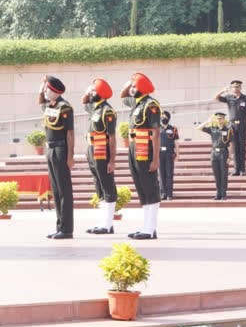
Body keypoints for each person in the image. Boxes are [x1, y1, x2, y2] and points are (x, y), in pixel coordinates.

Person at [120, 73, 161, 240]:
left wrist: (156, 158)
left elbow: (156, 133)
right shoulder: (136, 103)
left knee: (150, 188)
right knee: (141, 188)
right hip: (134, 148)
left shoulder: (151, 105)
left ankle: (150, 228)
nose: (131, 89)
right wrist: (130, 81)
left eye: (135, 86)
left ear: (142, 88)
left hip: (146, 149)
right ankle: (147, 226)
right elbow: (122, 95)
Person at [38, 75, 74, 239]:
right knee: (56, 189)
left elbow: (70, 133)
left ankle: (67, 229)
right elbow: (41, 104)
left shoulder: (64, 107)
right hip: (50, 150)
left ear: (54, 91)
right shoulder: (51, 106)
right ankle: (60, 226)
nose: (45, 91)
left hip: (61, 149)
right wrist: (41, 90)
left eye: (47, 89)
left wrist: (70, 156)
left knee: (64, 190)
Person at [82, 78, 117, 234]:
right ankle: (103, 222)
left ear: (101, 93)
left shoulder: (107, 111)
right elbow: (84, 102)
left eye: (95, 91)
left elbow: (112, 137)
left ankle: (108, 224)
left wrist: (112, 160)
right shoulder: (95, 108)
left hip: (102, 150)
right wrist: (88, 90)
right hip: (92, 149)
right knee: (99, 186)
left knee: (107, 185)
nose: (92, 93)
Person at [215, 80, 246, 176]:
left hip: (243, 124)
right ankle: (236, 169)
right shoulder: (229, 98)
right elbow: (216, 98)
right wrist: (223, 91)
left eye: (237, 87)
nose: (235, 89)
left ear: (240, 88)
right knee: (235, 147)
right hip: (232, 125)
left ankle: (243, 169)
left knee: (242, 147)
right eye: (233, 87)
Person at [198, 113, 232, 200]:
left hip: (223, 153)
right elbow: (199, 128)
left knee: (223, 174)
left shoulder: (228, 130)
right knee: (217, 175)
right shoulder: (212, 129)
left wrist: (230, 157)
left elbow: (231, 144)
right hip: (214, 153)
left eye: (220, 119)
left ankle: (223, 194)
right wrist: (208, 121)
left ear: (224, 119)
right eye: (217, 119)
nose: (219, 120)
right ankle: (218, 194)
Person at [158, 111, 180, 200]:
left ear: (168, 118)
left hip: (169, 153)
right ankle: (163, 194)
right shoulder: (157, 128)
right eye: (161, 117)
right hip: (160, 154)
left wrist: (178, 154)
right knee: (161, 174)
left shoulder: (173, 128)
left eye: (165, 117)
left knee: (169, 174)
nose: (163, 118)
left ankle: (169, 194)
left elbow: (176, 142)